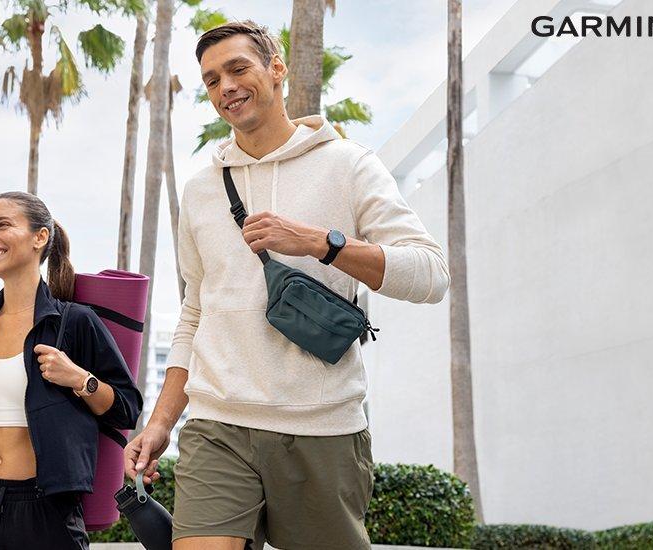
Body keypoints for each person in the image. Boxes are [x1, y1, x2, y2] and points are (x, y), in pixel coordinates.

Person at [123, 21, 450, 550]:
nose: (225, 87)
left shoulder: (348, 165)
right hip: (217, 422)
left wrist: (323, 243)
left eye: (237, 69)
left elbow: (431, 275)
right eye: (211, 80)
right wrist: (161, 422)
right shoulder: (203, 190)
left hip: (321, 428)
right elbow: (194, 314)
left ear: (276, 70)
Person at [0, 192, 143, 549]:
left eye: (3, 225)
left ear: (40, 237)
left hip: (45, 508)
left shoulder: (75, 323)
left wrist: (80, 379)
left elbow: (127, 407)